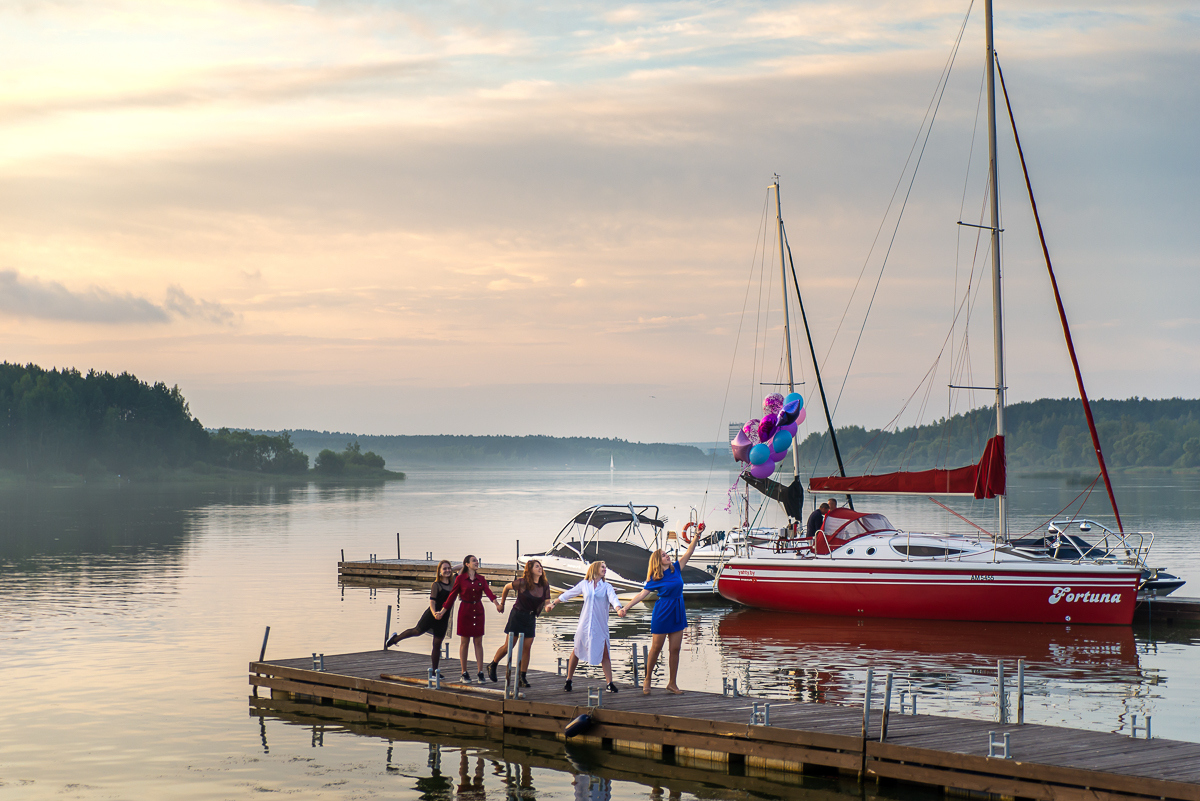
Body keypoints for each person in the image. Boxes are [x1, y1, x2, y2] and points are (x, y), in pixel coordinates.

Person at [618, 532, 699, 695]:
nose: (667, 556)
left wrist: (697, 536)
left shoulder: (676, 568)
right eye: (663, 555)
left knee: (675, 649)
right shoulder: (655, 578)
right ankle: (647, 678)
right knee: (656, 648)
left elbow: (689, 552)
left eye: (666, 554)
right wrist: (626, 607)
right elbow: (642, 595)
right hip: (662, 612)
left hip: (678, 610)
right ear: (658, 561)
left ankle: (672, 683)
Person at [548, 560, 622, 693]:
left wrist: (618, 609)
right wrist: (554, 603)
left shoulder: (607, 586)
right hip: (585, 624)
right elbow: (569, 593)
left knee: (605, 651)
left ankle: (609, 683)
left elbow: (613, 598)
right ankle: (569, 680)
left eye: (605, 567)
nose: (605, 569)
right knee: (576, 650)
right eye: (602, 567)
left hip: (600, 625)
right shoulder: (584, 584)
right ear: (595, 568)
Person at [384, 559, 455, 675]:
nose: (447, 570)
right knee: (417, 631)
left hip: (444, 617)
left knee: (437, 644)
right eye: (444, 569)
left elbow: (464, 565)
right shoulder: (436, 585)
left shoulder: (453, 583)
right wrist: (434, 613)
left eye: (449, 568)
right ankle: (395, 639)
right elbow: (432, 602)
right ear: (439, 572)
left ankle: (434, 671)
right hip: (432, 615)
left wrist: (452, 569)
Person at [486, 559, 550, 687]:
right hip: (517, 615)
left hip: (530, 618)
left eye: (540, 566)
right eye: (537, 566)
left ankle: (522, 677)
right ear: (530, 570)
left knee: (527, 648)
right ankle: (492, 664)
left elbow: (547, 602)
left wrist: (549, 607)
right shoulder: (522, 582)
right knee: (509, 646)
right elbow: (506, 588)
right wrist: (502, 604)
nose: (540, 568)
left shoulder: (544, 585)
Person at [441, 554, 502, 683]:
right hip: (465, 611)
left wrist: (497, 604)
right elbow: (451, 596)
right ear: (467, 564)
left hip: (478, 611)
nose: (476, 562)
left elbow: (489, 592)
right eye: (473, 561)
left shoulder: (481, 578)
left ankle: (480, 672)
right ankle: (464, 673)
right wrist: (442, 611)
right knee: (465, 642)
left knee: (478, 642)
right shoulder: (461, 579)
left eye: (477, 561)